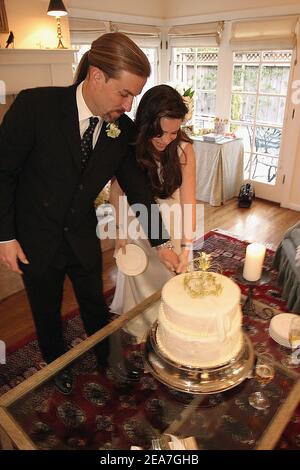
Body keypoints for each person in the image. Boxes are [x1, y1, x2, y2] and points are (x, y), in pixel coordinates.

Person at [0, 33, 179, 393]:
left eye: (134, 96)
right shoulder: (35, 107)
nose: (129, 106)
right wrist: (5, 236)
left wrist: (161, 243)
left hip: (82, 233)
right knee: (46, 311)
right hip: (34, 237)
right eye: (124, 93)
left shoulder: (121, 129)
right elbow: (3, 172)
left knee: (95, 304)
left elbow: (138, 189)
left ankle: (108, 358)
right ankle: (57, 365)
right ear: (96, 76)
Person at [110, 84, 196, 342]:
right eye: (161, 132)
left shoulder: (184, 149)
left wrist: (187, 245)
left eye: (173, 132)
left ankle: (169, 331)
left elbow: (189, 201)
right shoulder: (130, 146)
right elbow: (118, 192)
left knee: (173, 283)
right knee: (141, 283)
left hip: (172, 225)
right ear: (147, 122)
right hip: (138, 224)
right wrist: (120, 233)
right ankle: (141, 329)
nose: (167, 139)